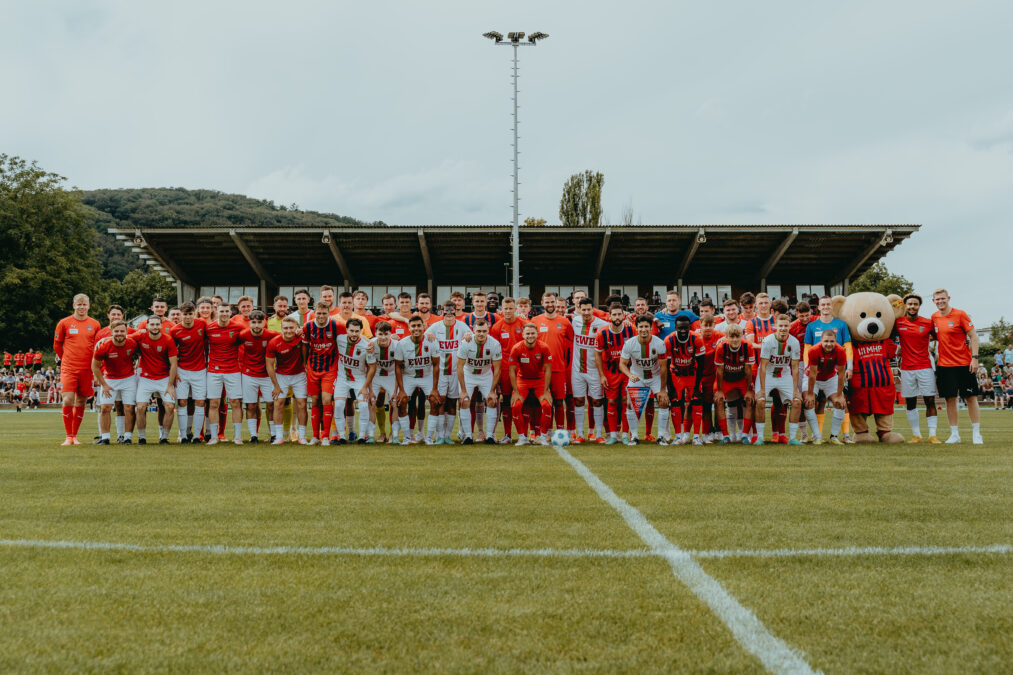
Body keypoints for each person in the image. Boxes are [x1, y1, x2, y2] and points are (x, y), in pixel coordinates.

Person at [930, 289, 983, 444]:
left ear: (948, 298)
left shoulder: (960, 314)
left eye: (942, 299)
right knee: (950, 400)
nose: (940, 301)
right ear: (933, 301)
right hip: (945, 366)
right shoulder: (933, 318)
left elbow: (973, 336)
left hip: (964, 364)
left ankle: (976, 433)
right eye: (937, 299)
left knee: (971, 398)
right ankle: (955, 434)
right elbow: (931, 335)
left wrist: (975, 358)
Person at [53, 293, 101, 445]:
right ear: (73, 305)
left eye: (84, 304)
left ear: (88, 306)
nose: (81, 307)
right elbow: (57, 345)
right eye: (78, 304)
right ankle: (68, 436)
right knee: (68, 399)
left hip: (87, 369)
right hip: (69, 368)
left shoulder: (95, 324)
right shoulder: (64, 323)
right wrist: (65, 358)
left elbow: (97, 347)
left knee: (81, 402)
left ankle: (74, 436)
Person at [894, 293, 940, 443]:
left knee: (930, 400)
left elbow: (940, 337)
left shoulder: (928, 323)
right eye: (910, 304)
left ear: (919, 306)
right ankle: (916, 435)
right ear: (905, 306)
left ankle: (932, 435)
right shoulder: (898, 323)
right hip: (907, 368)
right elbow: (886, 337)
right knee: (911, 402)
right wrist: (896, 350)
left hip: (925, 367)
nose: (912, 306)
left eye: (915, 304)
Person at [619, 315, 669, 445]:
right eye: (641, 326)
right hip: (637, 377)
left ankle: (661, 437)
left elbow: (664, 368)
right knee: (630, 403)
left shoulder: (659, 343)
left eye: (646, 326)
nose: (644, 329)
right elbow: (622, 364)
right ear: (636, 328)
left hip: (655, 377)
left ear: (651, 327)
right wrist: (630, 375)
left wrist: (663, 389)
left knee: (663, 401)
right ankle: (634, 437)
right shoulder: (630, 343)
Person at [531, 292, 574, 434]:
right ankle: (541, 432)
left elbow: (571, 343)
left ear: (556, 303)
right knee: (539, 402)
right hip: (540, 370)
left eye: (552, 302)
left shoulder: (565, 322)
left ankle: (560, 432)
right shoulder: (535, 321)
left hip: (558, 369)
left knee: (559, 402)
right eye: (547, 302)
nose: (550, 305)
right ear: (542, 303)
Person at [131, 315, 178, 444]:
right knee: (140, 407)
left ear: (161, 325)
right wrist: (107, 339)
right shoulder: (141, 337)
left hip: (164, 378)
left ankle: (164, 437)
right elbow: (122, 338)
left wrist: (169, 385)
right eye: (152, 324)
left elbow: (174, 364)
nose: (155, 327)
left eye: (157, 324)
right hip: (146, 378)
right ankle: (142, 437)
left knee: (169, 406)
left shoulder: (168, 340)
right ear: (147, 326)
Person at [755, 314, 802, 445]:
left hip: (784, 376)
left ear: (789, 326)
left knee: (797, 401)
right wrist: (763, 390)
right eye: (780, 326)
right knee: (760, 401)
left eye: (786, 326)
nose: (783, 328)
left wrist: (796, 390)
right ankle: (760, 437)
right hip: (768, 374)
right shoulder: (768, 341)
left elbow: (795, 368)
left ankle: (792, 438)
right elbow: (763, 366)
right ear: (775, 326)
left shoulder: (794, 342)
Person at [303, 301, 345, 445]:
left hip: (330, 369)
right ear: (314, 312)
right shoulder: (308, 326)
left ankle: (325, 436)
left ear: (329, 313)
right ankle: (315, 436)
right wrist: (305, 364)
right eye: (318, 313)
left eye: (324, 313)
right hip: (313, 367)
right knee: (315, 401)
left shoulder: (337, 326)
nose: (321, 316)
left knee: (326, 400)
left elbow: (351, 336)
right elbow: (304, 346)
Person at [394, 315, 441, 445]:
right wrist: (402, 389)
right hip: (409, 377)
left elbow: (436, 365)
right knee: (402, 402)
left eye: (419, 325)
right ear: (409, 328)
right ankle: (407, 437)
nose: (416, 328)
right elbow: (398, 366)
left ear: (424, 326)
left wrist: (435, 388)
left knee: (435, 401)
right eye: (413, 326)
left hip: (426, 376)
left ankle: (429, 437)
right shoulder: (402, 344)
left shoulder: (431, 341)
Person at [90, 320, 138, 444]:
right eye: (116, 331)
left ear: (126, 332)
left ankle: (127, 437)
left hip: (129, 379)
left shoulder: (132, 343)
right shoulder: (104, 346)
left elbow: (142, 355)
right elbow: (94, 366)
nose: (119, 334)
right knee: (105, 408)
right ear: (111, 332)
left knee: (129, 408)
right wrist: (104, 385)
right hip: (110, 379)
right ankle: (105, 437)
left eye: (122, 331)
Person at [457, 318, 503, 444]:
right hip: (468, 375)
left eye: (484, 331)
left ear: (488, 330)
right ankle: (467, 436)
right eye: (478, 331)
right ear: (473, 331)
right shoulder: (465, 343)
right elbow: (459, 367)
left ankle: (490, 436)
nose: (481, 334)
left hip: (485, 375)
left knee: (492, 401)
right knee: (465, 401)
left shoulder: (494, 344)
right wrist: (463, 390)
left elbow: (498, 368)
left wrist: (493, 391)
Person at [508, 323, 554, 446]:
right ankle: (522, 437)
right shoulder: (517, 348)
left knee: (547, 405)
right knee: (516, 405)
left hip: (539, 380)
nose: (530, 336)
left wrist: (545, 391)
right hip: (522, 380)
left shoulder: (544, 347)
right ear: (523, 334)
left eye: (532, 333)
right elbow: (512, 370)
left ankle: (542, 437)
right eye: (527, 333)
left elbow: (548, 369)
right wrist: (515, 391)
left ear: (537, 334)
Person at [570, 298, 609, 442]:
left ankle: (598, 435)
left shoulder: (602, 325)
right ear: (579, 309)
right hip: (577, 370)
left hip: (595, 371)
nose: (586, 312)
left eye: (589, 309)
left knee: (597, 402)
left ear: (593, 309)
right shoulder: (575, 322)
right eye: (583, 310)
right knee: (579, 401)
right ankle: (580, 435)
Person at [266, 315, 309, 445]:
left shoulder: (301, 338)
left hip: (299, 374)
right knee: (278, 404)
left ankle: (302, 436)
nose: (289, 331)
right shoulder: (274, 342)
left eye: (291, 328)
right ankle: (279, 437)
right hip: (281, 375)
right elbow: (269, 365)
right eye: (286, 328)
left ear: (296, 328)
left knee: (302, 404)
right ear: (281, 328)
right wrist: (275, 385)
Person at [169, 302, 209, 443]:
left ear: (194, 313)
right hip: (182, 371)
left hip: (200, 370)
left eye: (190, 314)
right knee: (182, 402)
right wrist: (174, 372)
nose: (187, 317)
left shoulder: (202, 324)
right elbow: (171, 353)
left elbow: (208, 343)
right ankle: (184, 435)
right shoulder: (174, 331)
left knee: (199, 402)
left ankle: (197, 436)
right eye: (184, 314)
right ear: (180, 314)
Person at [239, 310, 280, 443]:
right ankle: (253, 436)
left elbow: (287, 337)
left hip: (267, 376)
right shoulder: (243, 335)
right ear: (249, 323)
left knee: (271, 405)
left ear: (264, 323)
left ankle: (273, 434)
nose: (256, 325)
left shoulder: (272, 335)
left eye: (259, 322)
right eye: (254, 322)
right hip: (249, 375)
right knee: (251, 405)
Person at [206, 303, 244, 445]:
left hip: (233, 370)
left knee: (235, 402)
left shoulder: (237, 327)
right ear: (216, 312)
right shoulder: (209, 328)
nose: (224, 313)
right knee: (214, 403)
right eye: (221, 311)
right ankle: (214, 436)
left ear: (230, 313)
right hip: (214, 371)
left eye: (226, 311)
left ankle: (238, 437)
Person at [662, 315, 703, 445]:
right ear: (675, 328)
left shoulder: (697, 339)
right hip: (676, 375)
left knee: (696, 401)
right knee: (675, 402)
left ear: (690, 327)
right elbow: (666, 365)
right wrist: (671, 388)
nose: (683, 331)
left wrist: (697, 387)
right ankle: (678, 437)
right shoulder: (669, 340)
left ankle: (696, 437)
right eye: (680, 328)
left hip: (692, 374)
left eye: (686, 328)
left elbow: (701, 365)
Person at [713, 323, 756, 444]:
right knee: (718, 400)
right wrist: (720, 390)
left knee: (749, 400)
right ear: (726, 337)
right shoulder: (721, 347)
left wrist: (748, 389)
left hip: (741, 378)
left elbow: (748, 369)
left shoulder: (747, 346)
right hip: (726, 379)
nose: (735, 339)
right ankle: (725, 436)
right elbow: (719, 371)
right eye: (732, 337)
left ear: (742, 336)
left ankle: (745, 435)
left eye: (737, 336)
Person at [803, 329, 848, 444]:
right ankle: (817, 437)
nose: (829, 344)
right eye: (826, 341)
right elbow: (813, 374)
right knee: (809, 403)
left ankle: (834, 437)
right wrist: (809, 394)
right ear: (821, 341)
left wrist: (839, 395)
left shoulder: (841, 350)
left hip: (830, 378)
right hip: (812, 378)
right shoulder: (813, 350)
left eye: (832, 341)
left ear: (835, 341)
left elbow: (842, 374)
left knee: (840, 403)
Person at [490, 297, 526, 443]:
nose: (508, 311)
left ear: (515, 309)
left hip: (522, 370)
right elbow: (494, 353)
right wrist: (495, 376)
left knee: (522, 402)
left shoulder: (524, 325)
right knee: (505, 402)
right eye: (506, 309)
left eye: (511, 308)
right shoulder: (497, 328)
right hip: (504, 369)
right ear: (501, 309)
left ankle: (525, 433)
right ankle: (507, 434)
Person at [332, 317, 372, 444]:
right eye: (351, 331)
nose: (354, 334)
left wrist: (366, 386)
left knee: (364, 406)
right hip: (342, 378)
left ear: (361, 331)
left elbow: (372, 366)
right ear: (347, 330)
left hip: (359, 378)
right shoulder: (339, 339)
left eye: (357, 331)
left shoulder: (366, 346)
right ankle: (342, 436)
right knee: (338, 406)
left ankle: (361, 437)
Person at [361, 320, 401, 444]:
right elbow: (369, 369)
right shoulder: (371, 345)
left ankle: (394, 436)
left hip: (391, 376)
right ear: (375, 333)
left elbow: (398, 368)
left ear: (390, 334)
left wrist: (395, 391)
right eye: (380, 334)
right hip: (376, 376)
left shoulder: (397, 345)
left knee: (395, 404)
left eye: (386, 334)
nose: (383, 337)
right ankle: (371, 436)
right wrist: (371, 390)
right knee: (371, 403)